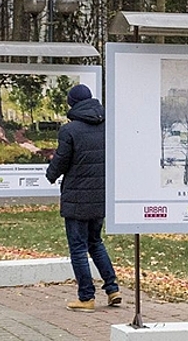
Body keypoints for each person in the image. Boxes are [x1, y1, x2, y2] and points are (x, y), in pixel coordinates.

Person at [46, 84, 120, 313]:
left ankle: (86, 297)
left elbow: (61, 160)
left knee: (78, 247)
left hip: (77, 197)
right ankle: (112, 288)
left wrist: (50, 174)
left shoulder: (70, 131)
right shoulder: (108, 126)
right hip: (100, 195)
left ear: (72, 104)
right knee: (95, 242)